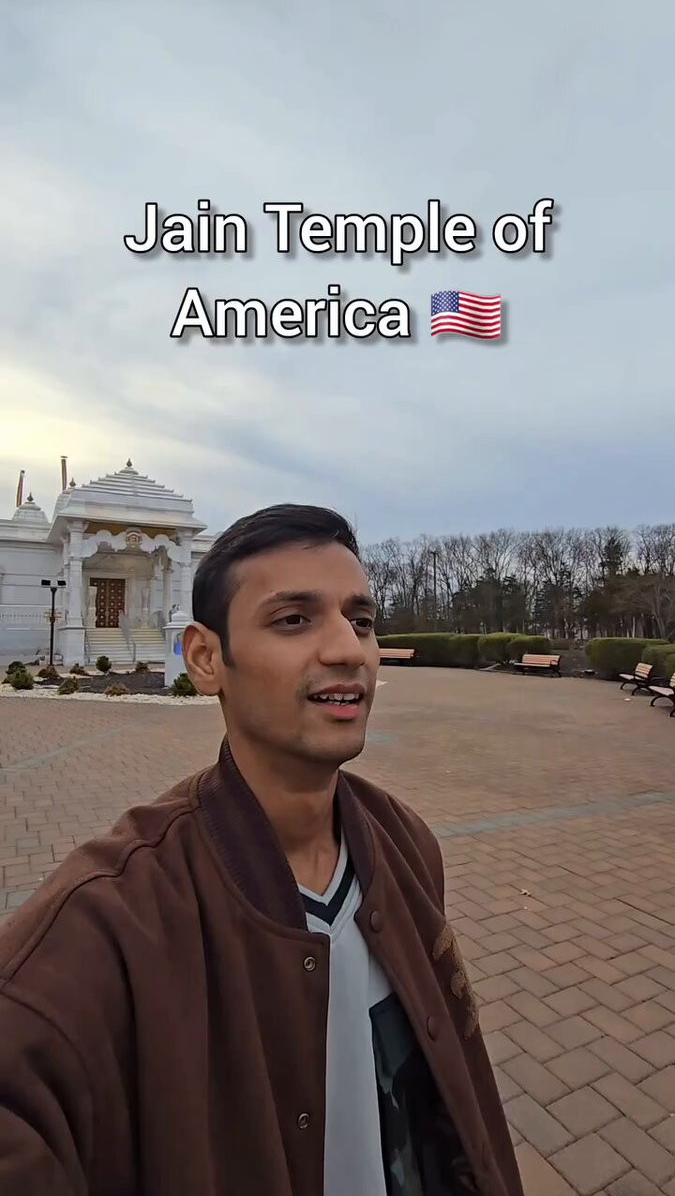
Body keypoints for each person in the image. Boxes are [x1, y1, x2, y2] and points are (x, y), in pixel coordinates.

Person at [0, 504, 523, 1195]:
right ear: (205, 658)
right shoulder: (114, 920)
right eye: (294, 619)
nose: (348, 650)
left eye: (361, 621)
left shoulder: (404, 844)